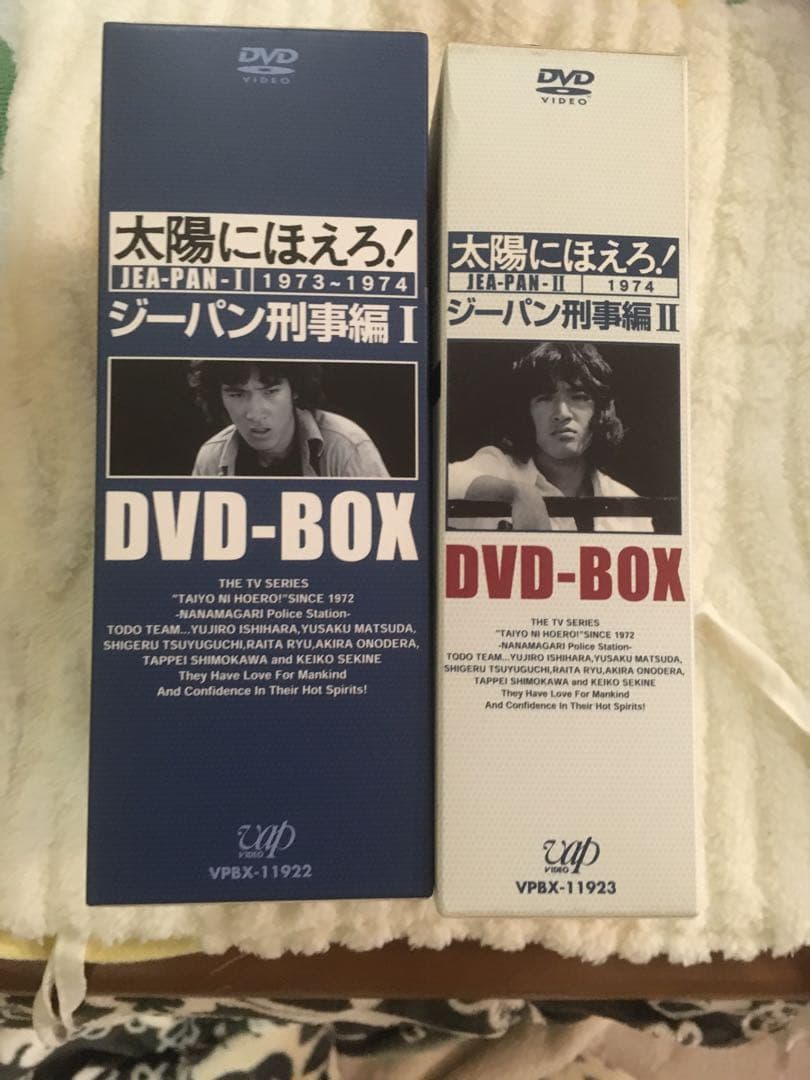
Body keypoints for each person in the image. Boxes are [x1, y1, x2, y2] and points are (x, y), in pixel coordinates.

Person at [448, 342, 652, 531]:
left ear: (599, 412)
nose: (562, 413)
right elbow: (444, 481)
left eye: (579, 397)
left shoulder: (626, 503)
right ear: (527, 413)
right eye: (545, 398)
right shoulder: (500, 468)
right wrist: (518, 493)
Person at [189, 360, 389, 477]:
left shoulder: (345, 448)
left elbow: (384, 534)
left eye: (270, 391)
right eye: (237, 394)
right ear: (219, 397)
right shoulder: (211, 459)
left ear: (295, 390)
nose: (255, 414)